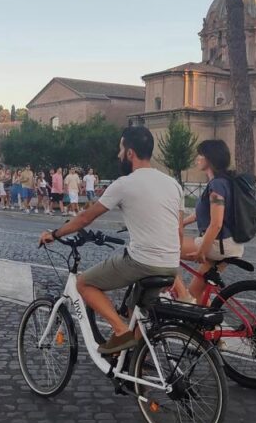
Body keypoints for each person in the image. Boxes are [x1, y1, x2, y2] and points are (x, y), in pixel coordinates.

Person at [38, 127, 182, 355]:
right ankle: (136, 371)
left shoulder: (124, 184)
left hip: (143, 261)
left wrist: (54, 234)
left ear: (130, 153)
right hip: (171, 264)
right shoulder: (173, 184)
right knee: (138, 316)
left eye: (120, 149)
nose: (118, 154)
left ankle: (119, 331)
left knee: (83, 283)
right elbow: (178, 229)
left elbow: (86, 217)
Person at [172, 139, 242, 305]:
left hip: (218, 244)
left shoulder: (216, 185)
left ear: (209, 159)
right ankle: (210, 327)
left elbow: (216, 223)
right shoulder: (225, 182)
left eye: (200, 155)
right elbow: (199, 215)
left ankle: (180, 294)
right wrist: (180, 223)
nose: (197, 158)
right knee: (196, 293)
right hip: (231, 243)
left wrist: (201, 251)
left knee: (163, 249)